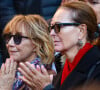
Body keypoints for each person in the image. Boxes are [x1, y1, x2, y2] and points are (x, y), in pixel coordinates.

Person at [18, 1, 100, 90]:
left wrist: (46, 88)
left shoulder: (96, 67)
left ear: (81, 31)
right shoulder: (63, 69)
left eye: (58, 27)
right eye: (51, 27)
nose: (51, 33)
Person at [1, 14, 55, 89]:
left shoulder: (46, 78)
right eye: (8, 37)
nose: (10, 44)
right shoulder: (7, 75)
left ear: (37, 43)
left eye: (18, 38)